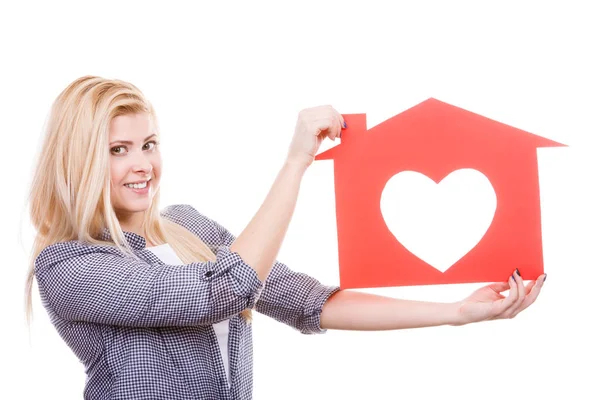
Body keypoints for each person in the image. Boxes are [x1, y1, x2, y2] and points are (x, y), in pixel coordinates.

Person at [25, 75, 547, 400]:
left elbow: (309, 303)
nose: (142, 165)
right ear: (79, 159)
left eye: (149, 144)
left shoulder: (187, 227)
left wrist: (456, 312)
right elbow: (219, 293)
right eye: (118, 150)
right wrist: (297, 162)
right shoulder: (69, 266)